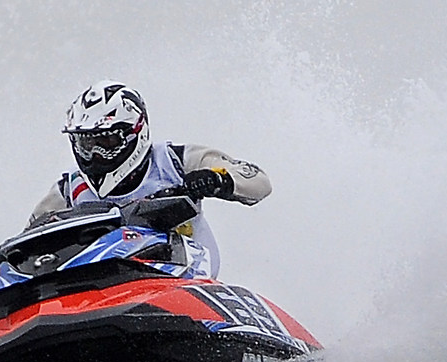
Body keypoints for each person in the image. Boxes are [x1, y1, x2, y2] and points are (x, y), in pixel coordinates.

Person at [31, 82, 269, 279]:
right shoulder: (70, 188)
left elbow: (259, 182)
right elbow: (29, 240)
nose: (95, 155)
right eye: (86, 144)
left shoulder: (175, 161)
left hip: (180, 283)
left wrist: (217, 179)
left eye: (106, 142)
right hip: (100, 292)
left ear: (136, 132)